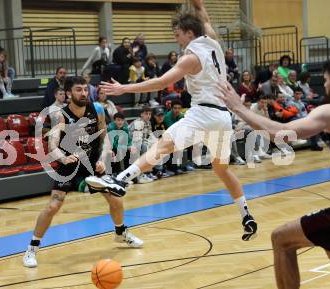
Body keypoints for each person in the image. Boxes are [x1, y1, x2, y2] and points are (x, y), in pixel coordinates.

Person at [86, 0, 258, 241]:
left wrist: (124, 88)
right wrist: (196, 3)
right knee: (222, 169)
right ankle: (246, 214)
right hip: (222, 118)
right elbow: (203, 15)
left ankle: (120, 180)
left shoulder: (190, 57)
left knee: (163, 145)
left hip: (203, 114)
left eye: (178, 35)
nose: (177, 39)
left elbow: (160, 83)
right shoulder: (212, 40)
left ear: (189, 33)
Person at [217, 55, 330, 289]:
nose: (326, 85)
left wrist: (238, 107)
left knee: (281, 239)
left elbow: (283, 134)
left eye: (327, 80)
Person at [23, 76, 143, 268]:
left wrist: (103, 159)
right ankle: (31, 249)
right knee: (54, 206)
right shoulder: (60, 115)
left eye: (86, 89)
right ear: (69, 93)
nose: (84, 93)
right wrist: (63, 158)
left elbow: (106, 139)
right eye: (79, 90)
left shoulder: (97, 109)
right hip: (69, 165)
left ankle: (121, 234)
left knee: (116, 200)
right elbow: (52, 145)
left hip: (93, 163)